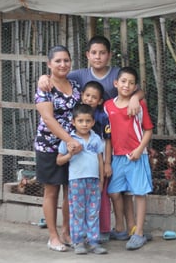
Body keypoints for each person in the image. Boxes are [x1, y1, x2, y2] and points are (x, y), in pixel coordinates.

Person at [38, 35, 144, 240]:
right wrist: (43, 77)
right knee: (78, 190)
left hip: (111, 139)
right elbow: (55, 78)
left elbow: (137, 89)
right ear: (87, 55)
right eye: (93, 53)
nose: (98, 57)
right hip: (73, 145)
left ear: (109, 55)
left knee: (116, 187)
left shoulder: (113, 74)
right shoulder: (78, 75)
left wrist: (134, 98)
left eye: (102, 52)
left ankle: (124, 228)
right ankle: (73, 233)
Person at [34, 45, 82, 252]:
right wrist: (69, 140)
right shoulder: (44, 87)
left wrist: (74, 142)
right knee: (51, 191)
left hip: (74, 148)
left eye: (66, 60)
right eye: (58, 61)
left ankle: (67, 232)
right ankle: (53, 236)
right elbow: (48, 118)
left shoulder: (75, 84)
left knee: (70, 192)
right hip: (50, 147)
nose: (63, 64)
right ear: (49, 64)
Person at [104, 66, 153, 250]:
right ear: (116, 83)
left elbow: (148, 129)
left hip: (136, 157)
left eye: (131, 83)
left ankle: (139, 233)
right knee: (114, 192)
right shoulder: (107, 106)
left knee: (140, 194)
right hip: (117, 157)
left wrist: (140, 149)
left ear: (135, 87)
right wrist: (107, 160)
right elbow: (106, 134)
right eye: (123, 81)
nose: (127, 85)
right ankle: (121, 228)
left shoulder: (140, 106)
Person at [56, 103, 108, 255]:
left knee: (93, 211)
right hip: (76, 181)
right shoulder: (69, 140)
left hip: (93, 181)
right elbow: (59, 161)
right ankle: (78, 241)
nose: (84, 124)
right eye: (80, 121)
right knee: (77, 212)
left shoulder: (96, 139)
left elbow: (100, 159)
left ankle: (93, 242)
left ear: (93, 122)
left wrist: (101, 180)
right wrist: (70, 154)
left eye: (87, 121)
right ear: (73, 122)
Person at [79, 81, 112, 242]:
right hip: (81, 164)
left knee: (101, 195)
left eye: (94, 97)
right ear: (81, 96)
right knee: (82, 196)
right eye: (87, 95)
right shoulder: (76, 115)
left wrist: (107, 164)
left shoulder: (102, 117)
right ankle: (84, 229)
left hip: (100, 162)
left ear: (99, 101)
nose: (90, 99)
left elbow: (108, 140)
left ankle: (104, 229)